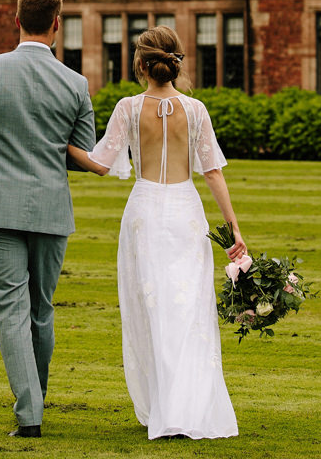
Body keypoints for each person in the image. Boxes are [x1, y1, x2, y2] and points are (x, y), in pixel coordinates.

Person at [67, 25, 246, 440]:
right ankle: (189, 407)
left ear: (141, 64)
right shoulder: (196, 110)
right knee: (187, 310)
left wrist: (62, 145)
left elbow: (100, 163)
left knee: (151, 312)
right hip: (186, 213)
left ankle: (165, 407)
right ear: (175, 61)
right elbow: (213, 173)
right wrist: (234, 230)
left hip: (145, 213)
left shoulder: (128, 108)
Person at [0, 0, 96, 439]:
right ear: (56, 24)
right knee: (40, 311)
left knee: (10, 310)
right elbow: (83, 153)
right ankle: (35, 401)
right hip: (50, 207)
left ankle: (30, 413)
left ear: (16, 21)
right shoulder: (76, 82)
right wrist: (47, 149)